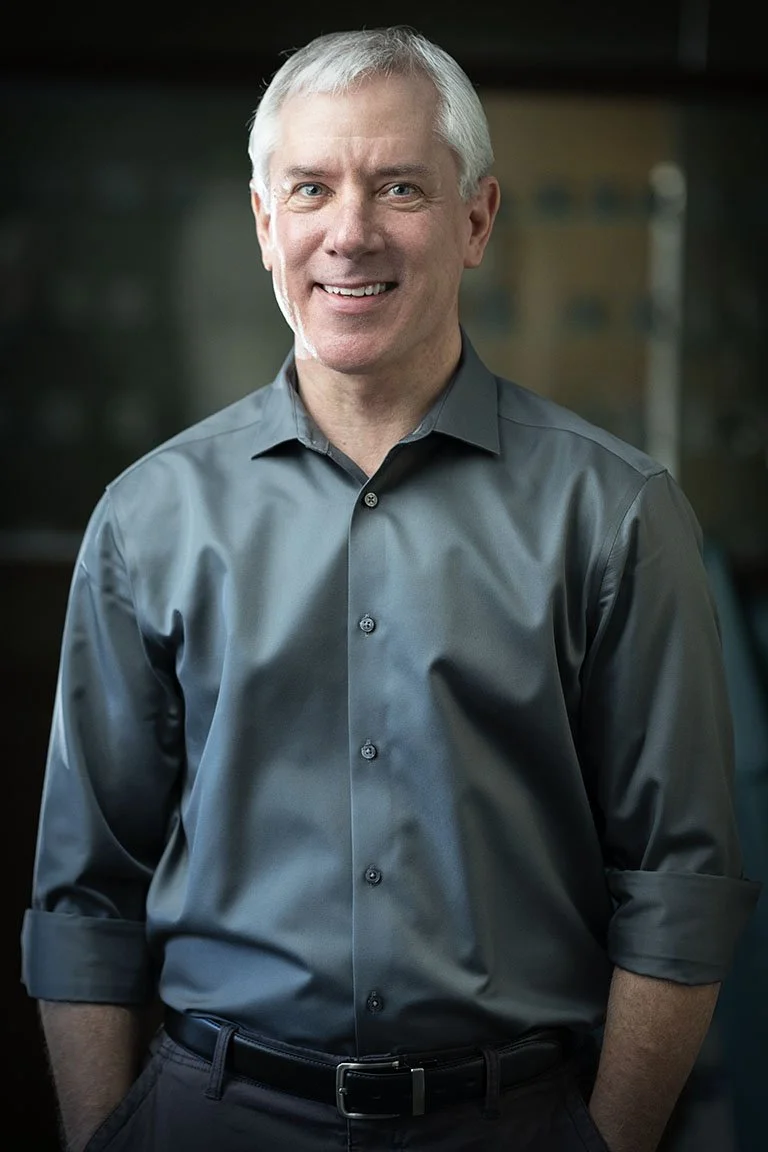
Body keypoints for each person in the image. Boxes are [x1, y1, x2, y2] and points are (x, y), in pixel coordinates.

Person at [21, 25, 760, 1152]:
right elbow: (85, 895)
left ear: (477, 221)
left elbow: (679, 887)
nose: (350, 233)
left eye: (400, 186)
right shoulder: (147, 517)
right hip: (208, 1120)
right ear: (265, 222)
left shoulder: (615, 515)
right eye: (310, 188)